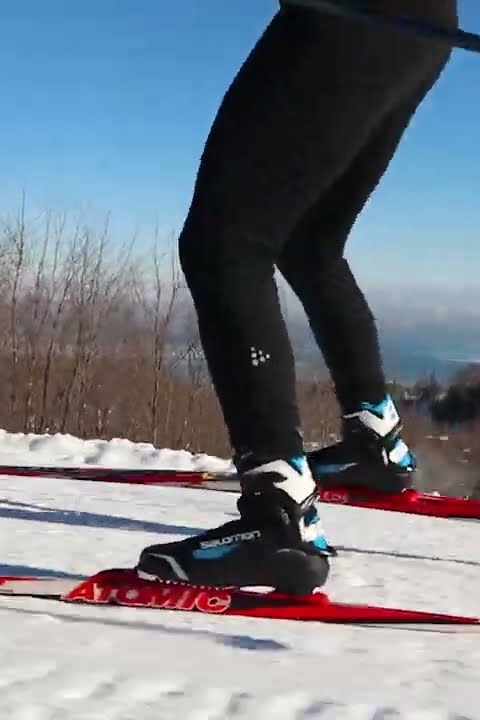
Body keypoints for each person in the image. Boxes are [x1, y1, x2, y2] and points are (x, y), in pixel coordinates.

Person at [136, 0, 458, 596]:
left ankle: (277, 516)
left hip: (351, 15)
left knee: (224, 243)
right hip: (424, 25)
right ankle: (374, 442)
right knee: (310, 244)